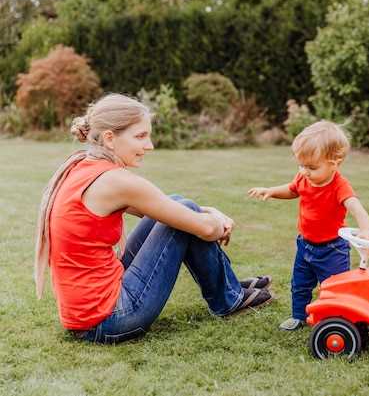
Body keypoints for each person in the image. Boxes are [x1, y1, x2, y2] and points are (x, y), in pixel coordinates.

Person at [34, 93, 273, 344]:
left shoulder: (82, 165)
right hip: (108, 319)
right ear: (110, 138)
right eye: (140, 136)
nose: (150, 146)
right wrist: (216, 220)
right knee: (183, 217)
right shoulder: (117, 181)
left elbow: (163, 207)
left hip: (84, 313)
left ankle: (228, 287)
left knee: (180, 203)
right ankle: (228, 297)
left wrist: (210, 212)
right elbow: (204, 229)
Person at [248, 120, 369, 331]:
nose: (304, 171)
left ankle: (338, 320)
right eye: (301, 165)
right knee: (299, 285)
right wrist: (271, 190)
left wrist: (367, 230)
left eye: (311, 167)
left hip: (332, 249)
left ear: (335, 162)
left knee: (335, 289)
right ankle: (299, 316)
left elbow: (356, 206)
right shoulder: (304, 178)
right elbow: (291, 189)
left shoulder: (339, 186)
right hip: (305, 245)